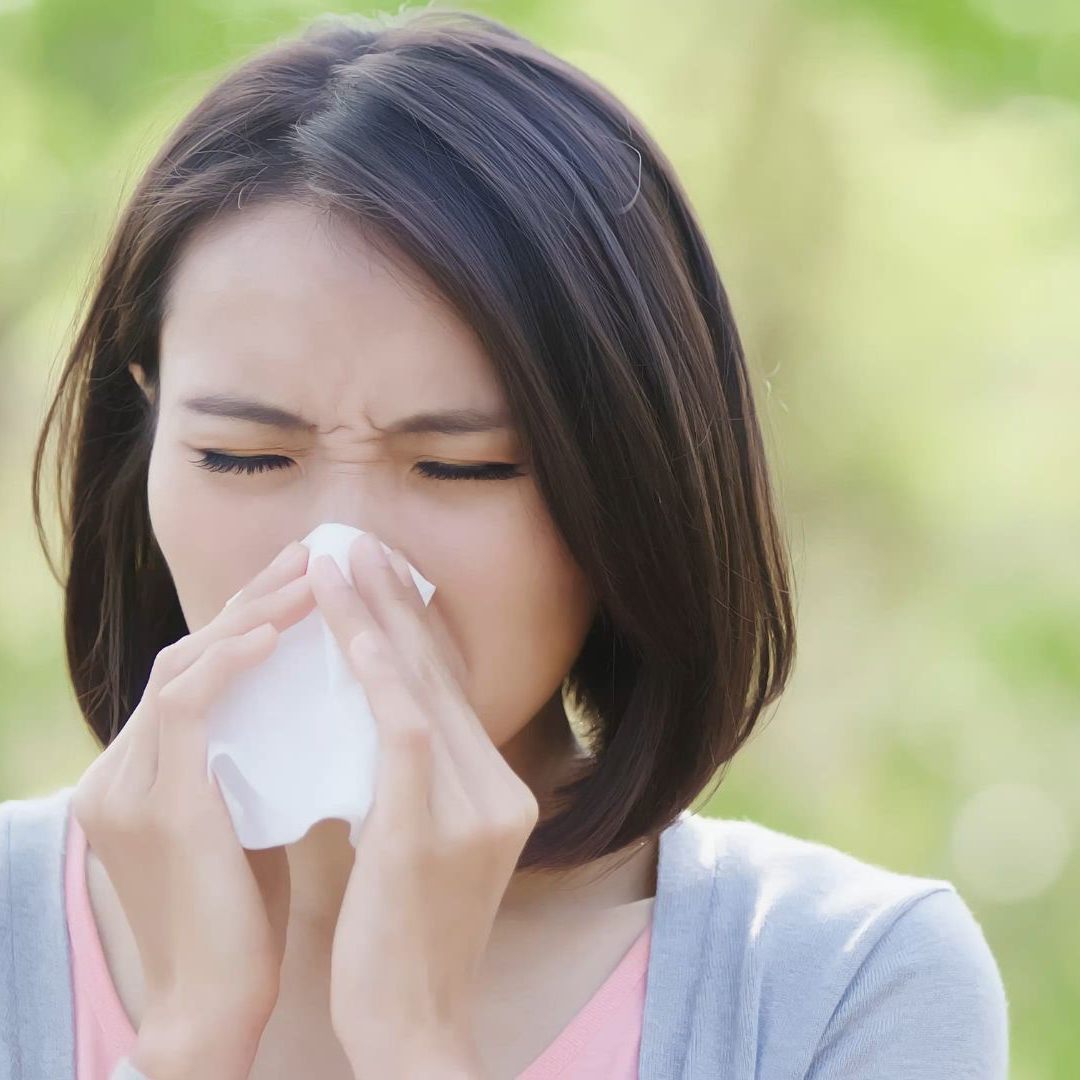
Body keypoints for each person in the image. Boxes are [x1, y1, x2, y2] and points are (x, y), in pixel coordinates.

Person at [0, 7, 1008, 1080]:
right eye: (244, 456)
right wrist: (193, 1044)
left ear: (624, 485)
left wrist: (413, 1044)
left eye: (463, 467)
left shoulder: (841, 983)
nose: (340, 560)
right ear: (146, 431)